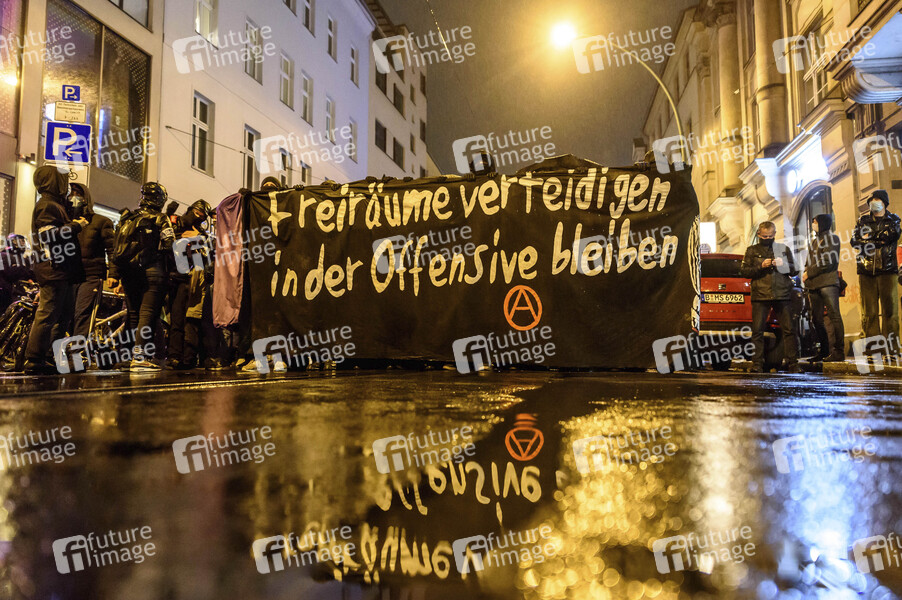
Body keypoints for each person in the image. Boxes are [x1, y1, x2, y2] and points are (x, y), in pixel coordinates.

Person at [23, 166, 88, 374]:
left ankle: (49, 357)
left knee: (62, 315)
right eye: (63, 180)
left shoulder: (54, 205)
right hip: (53, 268)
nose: (66, 185)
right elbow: (48, 235)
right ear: (54, 182)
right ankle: (35, 359)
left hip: (61, 269)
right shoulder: (46, 205)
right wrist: (76, 225)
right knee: (48, 313)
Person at [109, 182, 175, 373]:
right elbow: (170, 245)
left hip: (129, 273)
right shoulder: (160, 218)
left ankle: (127, 357)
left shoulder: (127, 217)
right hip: (153, 272)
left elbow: (115, 249)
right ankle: (140, 357)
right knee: (148, 314)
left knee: (133, 314)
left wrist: (114, 274)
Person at [739, 221, 801, 373]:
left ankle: (793, 363)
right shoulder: (752, 250)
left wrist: (783, 264)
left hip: (782, 294)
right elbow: (744, 271)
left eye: (770, 236)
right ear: (759, 235)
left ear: (774, 234)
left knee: (789, 330)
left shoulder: (783, 249)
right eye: (764, 236)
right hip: (760, 294)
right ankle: (757, 364)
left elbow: (795, 270)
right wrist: (761, 266)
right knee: (758, 331)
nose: (767, 238)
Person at [851, 190, 901, 351]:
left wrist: (869, 239)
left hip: (888, 269)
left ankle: (892, 348)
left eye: (877, 198)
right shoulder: (862, 221)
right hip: (866, 270)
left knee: (890, 311)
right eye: (871, 199)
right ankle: (873, 349)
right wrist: (877, 240)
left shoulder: (893, 220)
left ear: (884, 202)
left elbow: (891, 235)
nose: (874, 201)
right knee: (869, 313)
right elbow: (855, 241)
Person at [167, 199, 213, 369]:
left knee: (190, 319)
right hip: (174, 277)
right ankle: (174, 356)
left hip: (193, 279)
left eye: (202, 214)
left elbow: (209, 255)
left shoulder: (202, 234)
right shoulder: (176, 224)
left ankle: (186, 357)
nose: (198, 216)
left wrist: (198, 239)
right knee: (175, 319)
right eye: (197, 212)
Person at [70, 183, 116, 339]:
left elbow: (111, 249)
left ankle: (78, 350)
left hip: (91, 276)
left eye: (77, 194)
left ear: (86, 198)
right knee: (67, 314)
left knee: (82, 314)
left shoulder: (101, 222)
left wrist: (113, 274)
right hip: (70, 275)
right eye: (71, 194)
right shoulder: (67, 222)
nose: (73, 197)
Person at [804, 214, 845, 361]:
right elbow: (808, 262)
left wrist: (809, 273)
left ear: (822, 223)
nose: (813, 224)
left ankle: (838, 351)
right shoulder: (815, 241)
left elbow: (828, 261)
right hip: (814, 285)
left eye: (815, 222)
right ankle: (824, 350)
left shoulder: (832, 239)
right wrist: (806, 273)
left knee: (834, 316)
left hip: (827, 283)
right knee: (816, 319)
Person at [0, 234, 34, 311]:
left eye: (24, 242)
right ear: (13, 242)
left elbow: (28, 274)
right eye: (21, 242)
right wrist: (24, 268)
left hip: (17, 292)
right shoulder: (3, 256)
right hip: (5, 293)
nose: (23, 244)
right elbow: (9, 273)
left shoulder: (21, 258)